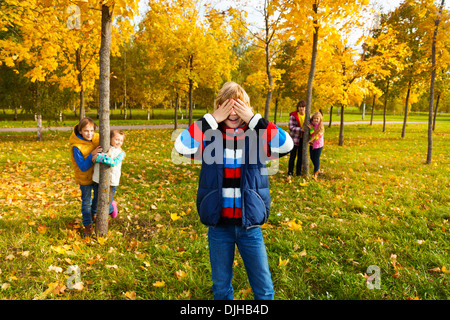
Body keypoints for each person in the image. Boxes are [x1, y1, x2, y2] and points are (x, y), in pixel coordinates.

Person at [174, 81, 293, 300]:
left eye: (239, 106)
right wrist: (210, 119)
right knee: (221, 287)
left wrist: (255, 119)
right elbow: (181, 147)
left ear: (247, 108)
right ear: (218, 107)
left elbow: (286, 145)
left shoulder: (258, 134)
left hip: (250, 225)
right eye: (227, 106)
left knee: (264, 288)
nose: (233, 111)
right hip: (219, 226)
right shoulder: (209, 135)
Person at [69, 117, 102, 237]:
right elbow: (82, 167)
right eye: (86, 131)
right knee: (86, 203)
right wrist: (91, 155)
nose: (90, 134)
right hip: (84, 178)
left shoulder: (97, 138)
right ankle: (87, 225)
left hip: (97, 176)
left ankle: (94, 215)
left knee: (98, 198)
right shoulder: (76, 147)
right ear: (80, 131)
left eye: (92, 131)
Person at [93, 129, 126, 220]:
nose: (119, 142)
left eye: (121, 140)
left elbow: (113, 162)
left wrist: (105, 156)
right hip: (97, 179)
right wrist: (105, 155)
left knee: (107, 202)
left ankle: (111, 209)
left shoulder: (121, 153)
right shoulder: (103, 147)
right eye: (116, 139)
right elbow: (94, 159)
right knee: (96, 200)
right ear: (110, 138)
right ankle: (94, 215)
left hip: (112, 181)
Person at [288, 100, 306, 176]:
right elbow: (291, 127)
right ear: (297, 108)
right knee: (293, 156)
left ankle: (298, 172)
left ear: (305, 108)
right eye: (299, 107)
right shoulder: (293, 116)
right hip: (294, 139)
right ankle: (290, 172)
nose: (301, 108)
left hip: (303, 139)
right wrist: (300, 129)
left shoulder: (307, 116)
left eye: (303, 107)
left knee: (300, 157)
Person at [307, 111, 324, 180]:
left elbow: (315, 137)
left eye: (317, 118)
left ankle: (315, 172)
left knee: (316, 158)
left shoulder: (321, 127)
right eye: (314, 118)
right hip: (311, 144)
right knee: (312, 157)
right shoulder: (311, 124)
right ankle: (317, 168)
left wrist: (311, 129)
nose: (316, 120)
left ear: (320, 119)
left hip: (318, 145)